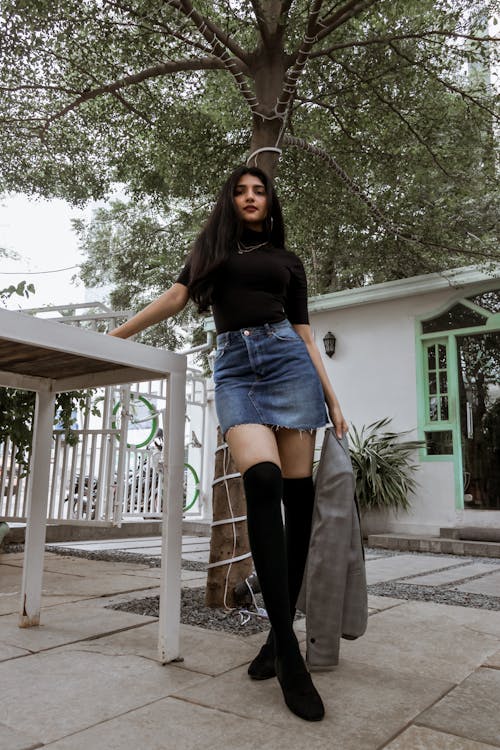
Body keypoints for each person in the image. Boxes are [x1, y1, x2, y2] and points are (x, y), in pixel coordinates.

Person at [109, 165, 348, 721]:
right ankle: (290, 655)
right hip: (237, 369)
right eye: (240, 191)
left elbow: (306, 334)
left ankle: (277, 641)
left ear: (270, 202)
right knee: (260, 478)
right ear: (229, 201)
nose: (249, 197)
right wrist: (111, 340)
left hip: (290, 365)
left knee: (299, 499)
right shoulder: (212, 249)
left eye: (258, 191)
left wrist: (333, 399)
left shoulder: (289, 262)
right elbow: (172, 299)